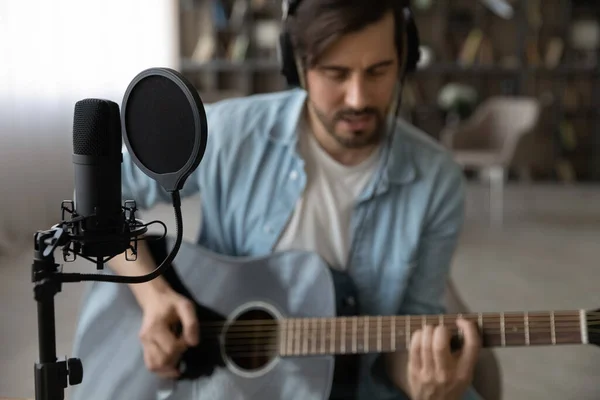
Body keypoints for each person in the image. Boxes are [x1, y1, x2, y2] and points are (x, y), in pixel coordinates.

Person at [109, 0, 483, 399]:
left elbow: (409, 334)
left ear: (404, 61)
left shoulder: (437, 179)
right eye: (335, 73)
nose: (358, 98)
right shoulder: (230, 134)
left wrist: (423, 382)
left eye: (378, 71)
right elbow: (102, 198)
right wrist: (154, 295)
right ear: (298, 66)